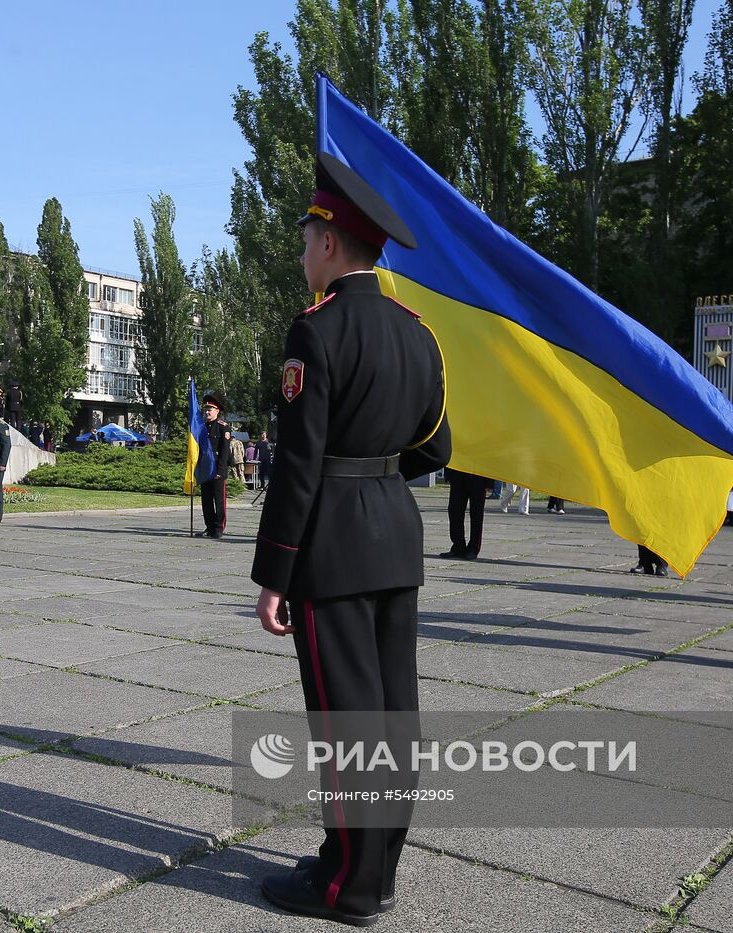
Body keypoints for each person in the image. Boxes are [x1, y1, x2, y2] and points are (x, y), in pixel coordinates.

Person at [253, 152, 452, 926]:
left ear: (331, 243)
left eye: (307, 238)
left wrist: (274, 572)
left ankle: (352, 887)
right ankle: (363, 860)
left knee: (344, 719)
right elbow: (435, 447)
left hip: (331, 541)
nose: (303, 251)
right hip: (394, 533)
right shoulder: (419, 335)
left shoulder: (317, 331)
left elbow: (298, 465)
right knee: (391, 713)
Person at [199, 393, 232, 538]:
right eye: (206, 409)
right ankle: (209, 526)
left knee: (219, 501)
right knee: (206, 501)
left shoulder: (223, 428)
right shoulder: (202, 427)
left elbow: (224, 452)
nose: (207, 412)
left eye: (210, 409)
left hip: (217, 470)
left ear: (217, 411)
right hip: (205, 469)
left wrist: (220, 470)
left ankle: (218, 528)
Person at [440, 469, 488, 560]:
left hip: (479, 477)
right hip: (457, 477)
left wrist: (489, 482)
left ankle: (473, 548)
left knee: (476, 515)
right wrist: (448, 474)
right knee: (454, 513)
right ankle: (458, 547)